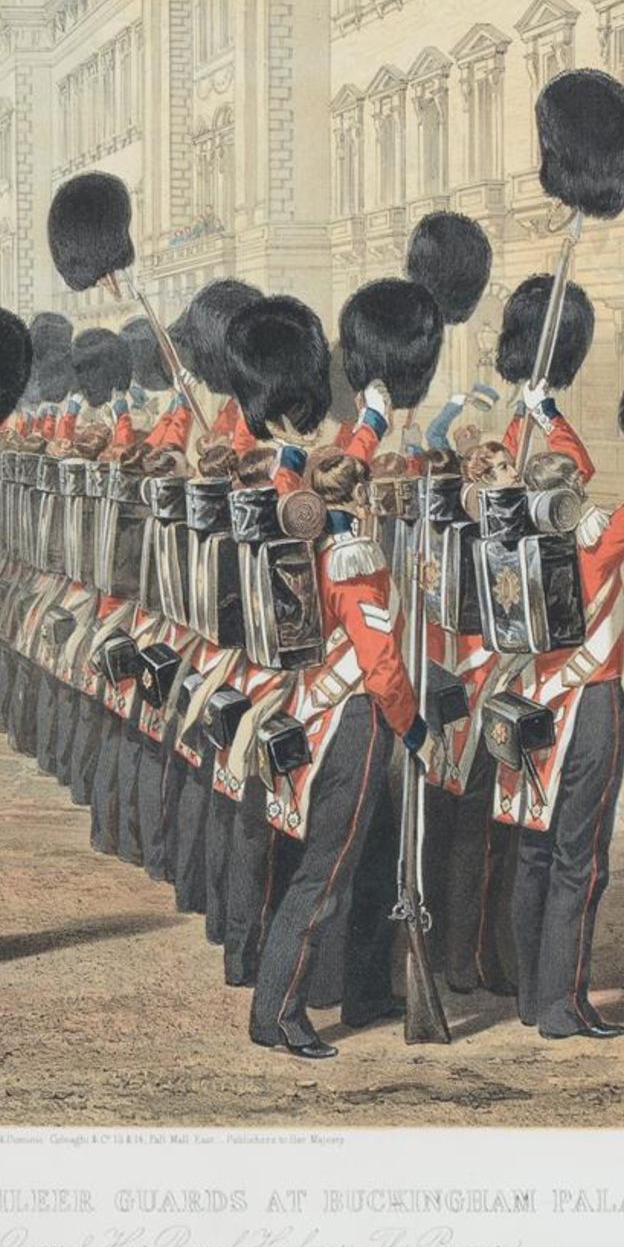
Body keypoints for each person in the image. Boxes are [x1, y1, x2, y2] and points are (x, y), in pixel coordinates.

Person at [495, 376, 624, 1040]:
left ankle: (529, 994)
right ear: (571, 497)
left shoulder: (500, 540)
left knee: (533, 853)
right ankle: (562, 1005)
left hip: (525, 706)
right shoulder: (594, 546)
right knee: (580, 860)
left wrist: (541, 413)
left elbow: (575, 467)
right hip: (587, 708)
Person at [246, 446, 426, 1058]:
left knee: (372, 866)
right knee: (323, 879)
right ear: (360, 499)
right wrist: (413, 726)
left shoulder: (316, 550)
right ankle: (278, 1014)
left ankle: (366, 991)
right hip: (355, 725)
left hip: (327, 716)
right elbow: (380, 665)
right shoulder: (355, 562)